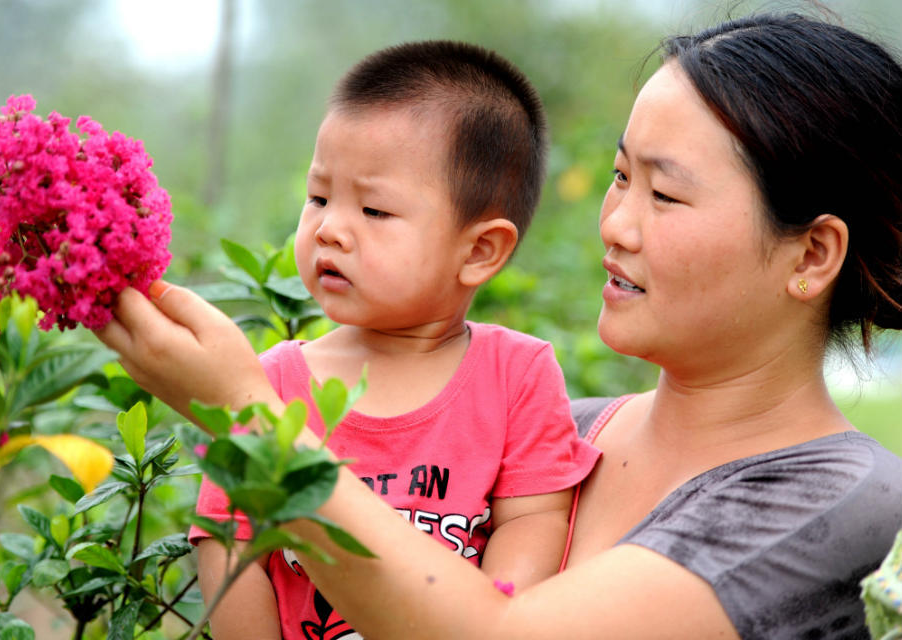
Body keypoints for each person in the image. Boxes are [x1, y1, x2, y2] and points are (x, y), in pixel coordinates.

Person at [96, 10, 902, 639]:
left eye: (665, 194)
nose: (615, 223)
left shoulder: (837, 501)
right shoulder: (542, 429)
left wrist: (249, 415)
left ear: (812, 254)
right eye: (620, 177)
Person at [185, 40, 600, 639]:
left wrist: (490, 620)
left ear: (479, 250)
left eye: (374, 210)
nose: (329, 229)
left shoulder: (517, 374)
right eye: (319, 197)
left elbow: (533, 524)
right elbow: (230, 544)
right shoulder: (268, 382)